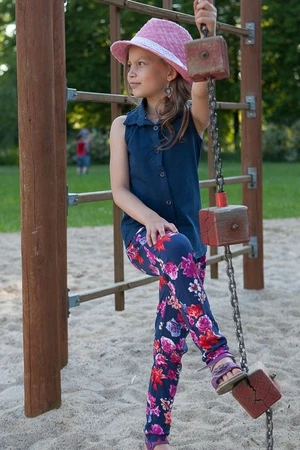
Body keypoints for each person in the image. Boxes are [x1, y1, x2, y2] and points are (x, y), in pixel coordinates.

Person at [109, 2, 247, 449]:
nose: (131, 73)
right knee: (171, 244)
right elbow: (120, 191)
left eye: (142, 63)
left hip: (186, 250)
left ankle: (155, 436)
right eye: (130, 65)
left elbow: (203, 86)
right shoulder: (121, 127)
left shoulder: (191, 121)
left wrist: (205, 29)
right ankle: (217, 354)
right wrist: (149, 220)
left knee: (168, 342)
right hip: (142, 239)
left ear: (170, 71)